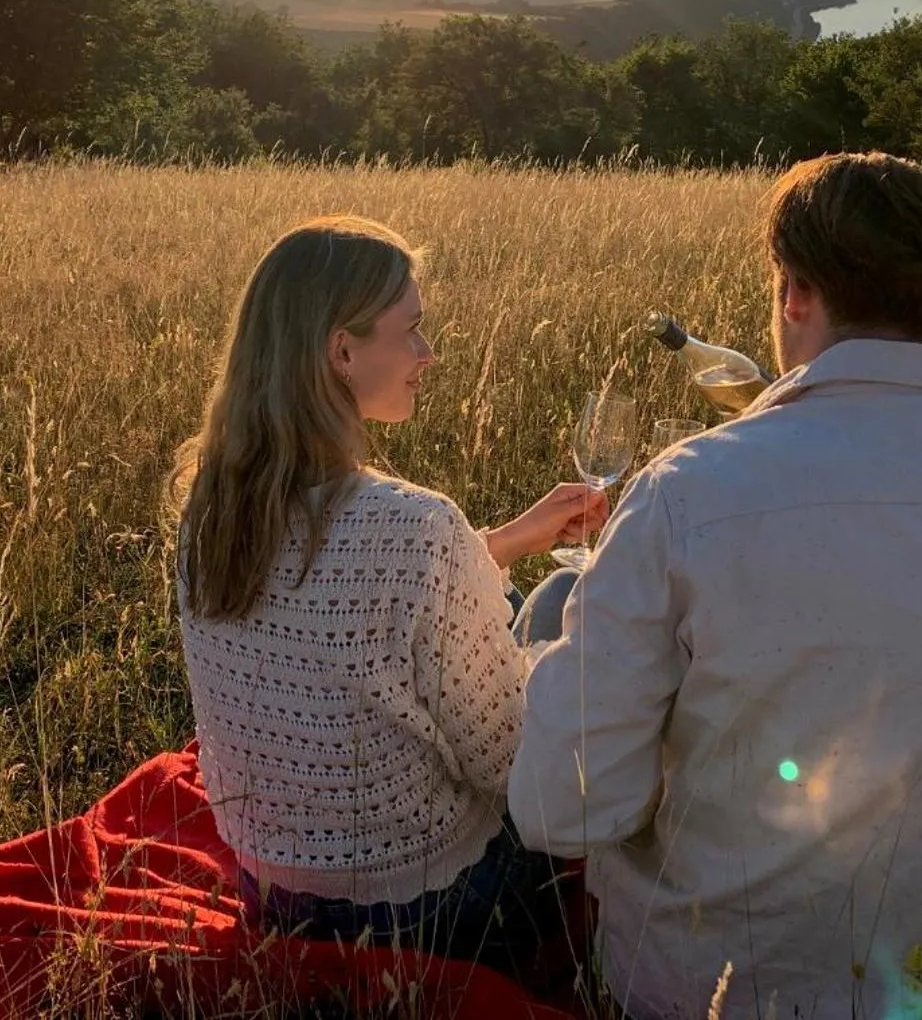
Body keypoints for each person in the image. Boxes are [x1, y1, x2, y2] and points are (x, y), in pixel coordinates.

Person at [509, 155, 922, 1019]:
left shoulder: (687, 487)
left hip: (704, 987)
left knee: (564, 622)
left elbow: (564, 813)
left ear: (795, 294)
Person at [171, 215, 605, 978]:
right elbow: (507, 770)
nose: (426, 355)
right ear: (342, 351)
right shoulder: (414, 528)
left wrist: (497, 546)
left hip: (275, 896)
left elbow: (337, 597)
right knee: (560, 600)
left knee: (538, 596)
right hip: (437, 910)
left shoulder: (207, 509)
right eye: (411, 331)